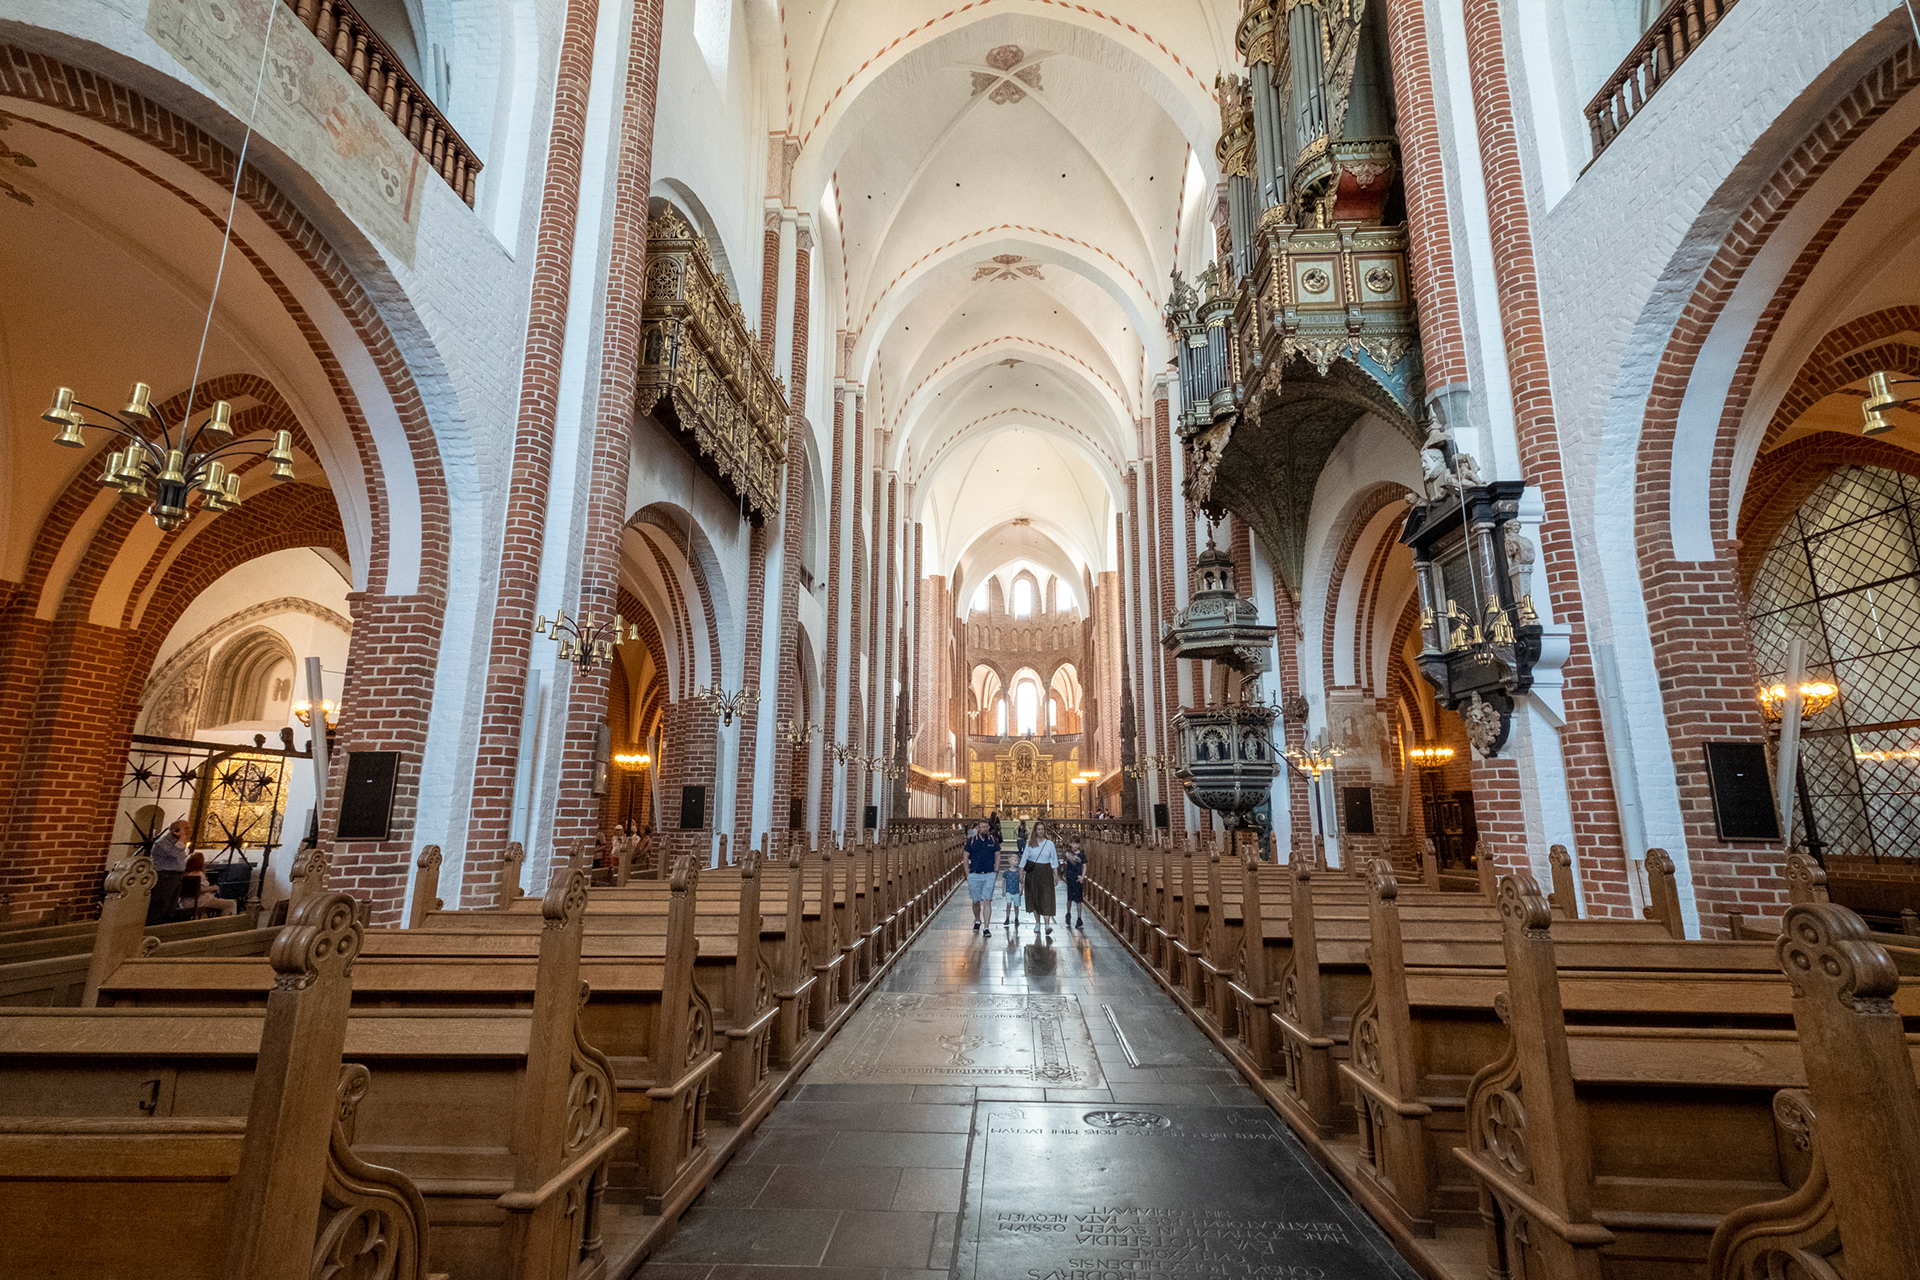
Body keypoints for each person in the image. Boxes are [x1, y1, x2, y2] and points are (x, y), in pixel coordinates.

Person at [1020, 821, 1060, 937]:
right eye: (1039, 829)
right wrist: (1021, 872)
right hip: (1033, 873)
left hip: (1046, 872)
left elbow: (1054, 860)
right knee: (1035, 897)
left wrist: (1055, 875)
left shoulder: (1050, 844)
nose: (1041, 831)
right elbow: (1024, 858)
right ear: (1035, 831)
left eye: (1042, 829)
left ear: (1045, 831)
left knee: (1046, 897)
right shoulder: (1030, 844)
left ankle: (1047, 925)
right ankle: (1037, 923)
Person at [147, 819, 190, 925]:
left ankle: (164, 930)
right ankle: (152, 930)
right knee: (161, 905)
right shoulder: (162, 843)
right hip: (165, 877)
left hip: (176, 876)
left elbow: (181, 857)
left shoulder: (177, 843)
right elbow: (174, 854)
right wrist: (181, 840)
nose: (188, 832)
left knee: (171, 907)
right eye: (186, 829)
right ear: (175, 830)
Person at [963, 818, 999, 936]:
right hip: (975, 874)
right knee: (976, 901)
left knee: (987, 900)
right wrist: (967, 873)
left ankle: (987, 927)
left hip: (989, 874)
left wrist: (996, 871)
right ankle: (977, 919)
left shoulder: (993, 840)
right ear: (978, 828)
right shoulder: (972, 841)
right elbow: (965, 856)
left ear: (989, 828)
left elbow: (997, 855)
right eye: (982, 827)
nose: (985, 829)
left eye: (986, 827)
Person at [177, 851, 229, 917]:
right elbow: (200, 889)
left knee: (220, 903)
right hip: (199, 901)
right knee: (231, 904)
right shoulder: (198, 874)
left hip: (184, 902)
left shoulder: (185, 874)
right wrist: (213, 888)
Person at [1060, 837, 1087, 929]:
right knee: (1070, 898)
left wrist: (1083, 876)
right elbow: (1066, 858)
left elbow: (1084, 866)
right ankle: (1068, 913)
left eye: (1077, 844)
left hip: (1078, 878)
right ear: (1070, 844)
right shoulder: (1068, 853)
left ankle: (1079, 919)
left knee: (1079, 900)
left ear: (1079, 844)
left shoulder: (1082, 854)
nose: (1075, 845)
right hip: (1070, 878)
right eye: (1073, 843)